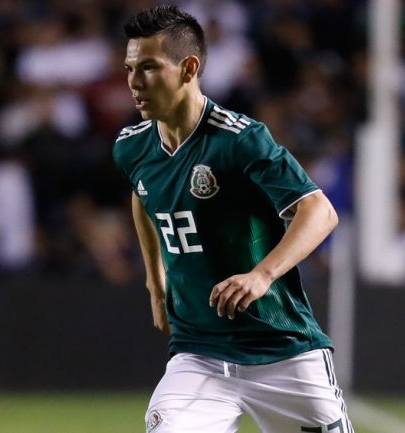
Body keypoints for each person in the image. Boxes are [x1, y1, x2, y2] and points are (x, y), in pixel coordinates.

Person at [113, 5, 354, 433]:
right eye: (130, 68)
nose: (134, 81)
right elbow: (142, 194)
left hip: (282, 349)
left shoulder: (240, 139)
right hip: (198, 353)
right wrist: (155, 280)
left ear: (188, 68)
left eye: (148, 67)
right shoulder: (132, 147)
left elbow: (320, 211)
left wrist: (262, 275)